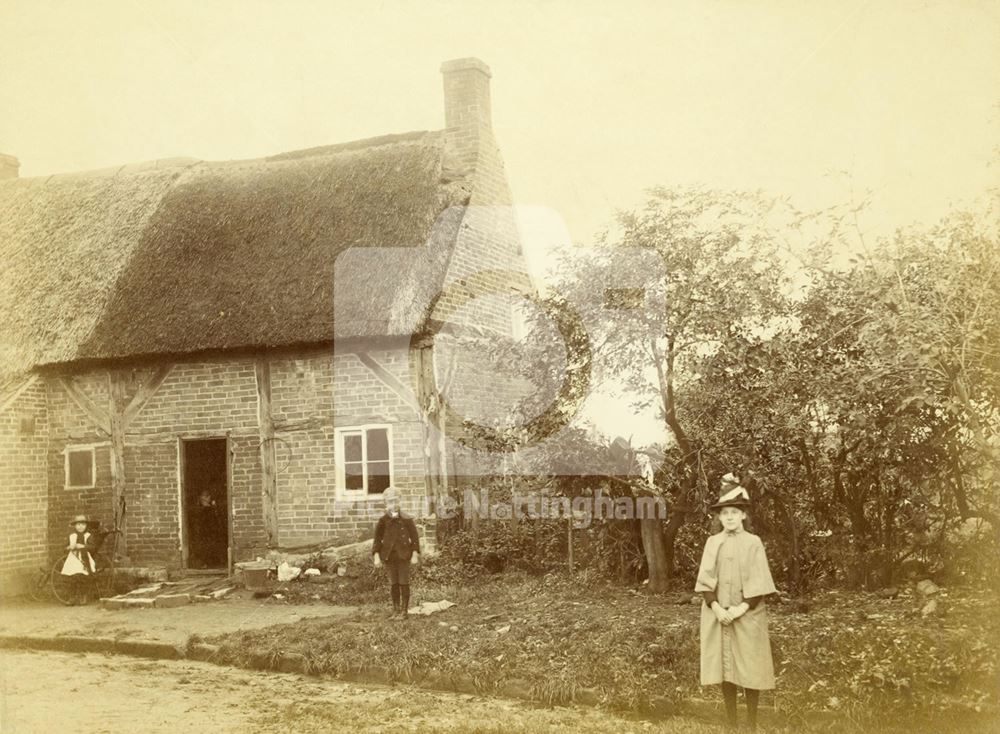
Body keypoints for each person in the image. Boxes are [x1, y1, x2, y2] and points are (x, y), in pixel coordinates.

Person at [694, 473, 777, 731]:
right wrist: (717, 608)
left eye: (734, 512)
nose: (729, 517)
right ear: (719, 517)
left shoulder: (753, 543)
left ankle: (751, 724)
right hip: (718, 614)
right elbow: (705, 580)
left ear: (743, 515)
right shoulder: (713, 542)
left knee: (750, 665)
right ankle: (731, 723)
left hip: (747, 613)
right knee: (724, 667)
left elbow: (759, 581)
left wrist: (740, 608)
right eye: (725, 513)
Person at [371, 486, 420, 618]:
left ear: (401, 501)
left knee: (404, 582)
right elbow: (377, 540)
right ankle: (396, 610)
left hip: (404, 555)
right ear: (386, 503)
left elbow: (415, 539)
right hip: (389, 556)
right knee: (394, 583)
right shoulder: (383, 521)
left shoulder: (407, 519)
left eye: (396, 501)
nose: (394, 505)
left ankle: (404, 611)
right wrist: (376, 557)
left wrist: (414, 554)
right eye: (391, 502)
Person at [60, 514, 97, 605]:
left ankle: (83, 596)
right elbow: (64, 548)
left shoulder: (88, 536)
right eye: (78, 525)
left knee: (82, 577)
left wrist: (83, 546)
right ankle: (72, 597)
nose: (80, 527)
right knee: (72, 577)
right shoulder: (72, 536)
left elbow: (93, 547)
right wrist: (69, 547)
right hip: (73, 558)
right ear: (75, 526)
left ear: (86, 526)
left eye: (83, 525)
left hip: (84, 558)